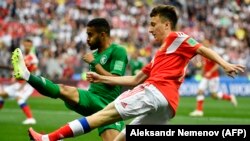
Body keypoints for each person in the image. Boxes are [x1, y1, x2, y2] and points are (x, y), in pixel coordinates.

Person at [13, 5, 245, 141]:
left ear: (166, 25)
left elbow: (202, 48)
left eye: (154, 24)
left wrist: (224, 63)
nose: (150, 28)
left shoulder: (177, 37)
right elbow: (134, 79)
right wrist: (102, 77)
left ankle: (48, 138)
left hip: (155, 92)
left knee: (102, 116)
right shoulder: (159, 56)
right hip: (167, 107)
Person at [12, 18, 128, 141]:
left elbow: (115, 80)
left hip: (108, 104)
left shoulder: (117, 50)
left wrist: (95, 64)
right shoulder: (94, 55)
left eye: (90, 34)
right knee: (63, 89)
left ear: (103, 35)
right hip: (91, 98)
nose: (87, 39)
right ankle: (26, 74)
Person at [0, 38, 38, 125]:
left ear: (31, 46)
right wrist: (14, 77)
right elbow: (18, 69)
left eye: (28, 45)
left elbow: (31, 73)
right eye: (25, 44)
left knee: (19, 98)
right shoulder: (23, 56)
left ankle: (31, 118)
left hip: (28, 83)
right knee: (2, 95)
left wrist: (23, 85)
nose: (26, 46)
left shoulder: (33, 58)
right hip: (19, 82)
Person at [189, 53, 238, 117]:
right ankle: (199, 111)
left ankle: (230, 97)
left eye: (205, 42)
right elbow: (204, 65)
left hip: (213, 77)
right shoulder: (204, 55)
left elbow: (217, 65)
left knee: (214, 96)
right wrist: (201, 71)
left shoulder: (211, 54)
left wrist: (210, 72)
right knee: (199, 91)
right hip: (206, 77)